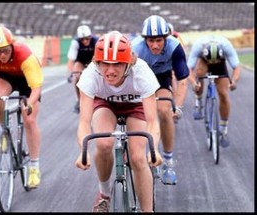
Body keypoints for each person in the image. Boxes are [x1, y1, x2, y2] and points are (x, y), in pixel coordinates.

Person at [75, 31, 163, 212]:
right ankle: (104, 194)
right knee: (104, 143)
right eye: (104, 64)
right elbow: (84, 123)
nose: (110, 70)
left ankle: (148, 210)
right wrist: (82, 152)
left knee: (138, 157)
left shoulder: (142, 72)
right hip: (106, 104)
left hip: (135, 106)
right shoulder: (90, 75)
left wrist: (153, 149)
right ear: (96, 62)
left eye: (117, 64)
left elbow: (153, 122)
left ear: (128, 62)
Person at [0, 26, 43, 189]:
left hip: (27, 81)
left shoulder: (25, 55)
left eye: (5, 50)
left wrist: (29, 104)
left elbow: (36, 88)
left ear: (12, 46)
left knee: (29, 120)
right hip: (7, 77)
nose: (2, 55)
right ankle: (5, 130)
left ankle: (34, 168)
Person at [131, 15, 189, 185]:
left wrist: (177, 107)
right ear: (144, 40)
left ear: (166, 38)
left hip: (161, 78)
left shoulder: (175, 47)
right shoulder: (135, 48)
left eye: (158, 40)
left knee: (164, 110)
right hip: (138, 79)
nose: (155, 45)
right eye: (150, 40)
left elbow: (183, 80)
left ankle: (168, 162)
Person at [187, 34, 240, 148]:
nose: (213, 63)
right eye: (212, 61)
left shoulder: (226, 45)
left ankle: (224, 128)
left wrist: (234, 81)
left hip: (221, 64)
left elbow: (236, 67)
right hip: (203, 62)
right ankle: (198, 101)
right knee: (200, 74)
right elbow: (189, 68)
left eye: (214, 61)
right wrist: (194, 83)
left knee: (223, 94)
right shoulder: (198, 46)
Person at [67, 25, 99, 113]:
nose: (85, 41)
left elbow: (101, 59)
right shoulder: (75, 42)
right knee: (76, 76)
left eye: (87, 38)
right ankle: (78, 100)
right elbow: (71, 59)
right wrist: (71, 74)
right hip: (80, 62)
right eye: (82, 39)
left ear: (91, 36)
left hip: (93, 61)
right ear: (79, 39)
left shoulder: (97, 41)